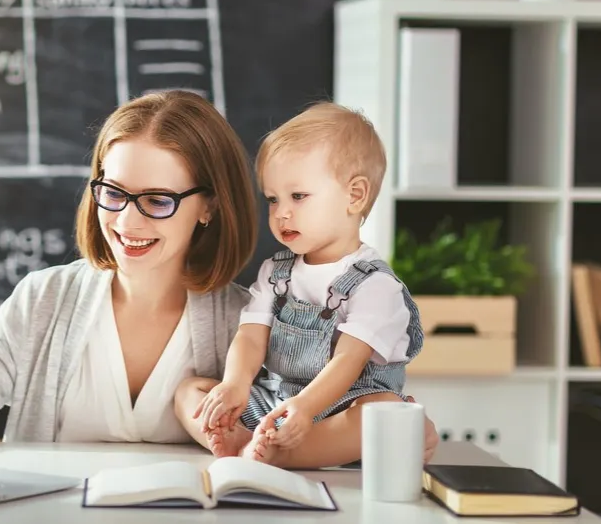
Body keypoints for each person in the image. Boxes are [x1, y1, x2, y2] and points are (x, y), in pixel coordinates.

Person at [0, 90, 259, 463]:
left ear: (210, 206)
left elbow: (283, 439)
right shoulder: (45, 298)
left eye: (157, 201)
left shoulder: (249, 324)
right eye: (113, 192)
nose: (126, 221)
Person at [174, 101, 432, 469]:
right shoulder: (275, 272)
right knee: (190, 391)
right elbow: (251, 336)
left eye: (298, 196)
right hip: (276, 402)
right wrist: (235, 384)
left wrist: (306, 408)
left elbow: (347, 361)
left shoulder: (376, 286)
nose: (281, 213)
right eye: (272, 199)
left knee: (386, 412)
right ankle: (244, 439)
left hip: (340, 410)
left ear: (354, 196)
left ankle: (280, 453)